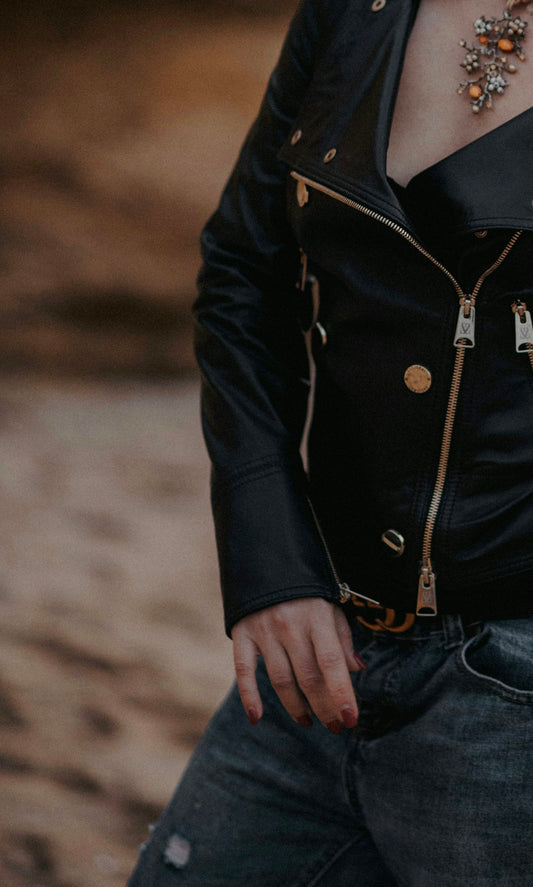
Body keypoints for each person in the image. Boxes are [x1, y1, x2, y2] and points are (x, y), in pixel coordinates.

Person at [127, 0, 533, 883]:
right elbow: (242, 270)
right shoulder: (352, 10)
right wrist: (269, 565)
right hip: (312, 654)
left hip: (513, 700)